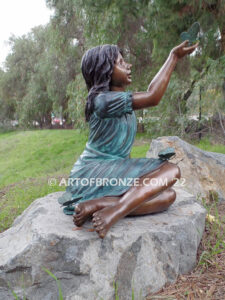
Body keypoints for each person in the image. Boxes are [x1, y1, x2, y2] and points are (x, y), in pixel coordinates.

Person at [58, 40, 198, 239]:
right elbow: (153, 96)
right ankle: (114, 212)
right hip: (92, 171)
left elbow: (124, 153)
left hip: (111, 169)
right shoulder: (103, 101)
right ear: (105, 70)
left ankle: (98, 204)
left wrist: (135, 180)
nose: (128, 65)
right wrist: (173, 57)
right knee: (172, 170)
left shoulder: (119, 102)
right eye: (120, 62)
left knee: (167, 196)